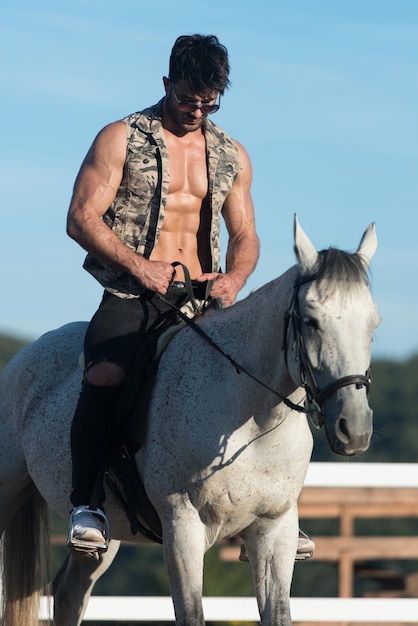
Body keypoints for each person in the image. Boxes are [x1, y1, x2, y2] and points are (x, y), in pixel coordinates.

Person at [66, 33, 314, 561]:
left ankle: (276, 512)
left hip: (204, 301)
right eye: (187, 99)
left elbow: (246, 235)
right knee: (106, 373)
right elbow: (80, 218)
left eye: (208, 102)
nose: (197, 110)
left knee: (279, 367)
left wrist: (236, 278)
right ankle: (86, 504)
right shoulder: (121, 137)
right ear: (166, 83)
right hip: (132, 293)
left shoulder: (231, 153)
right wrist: (139, 265)